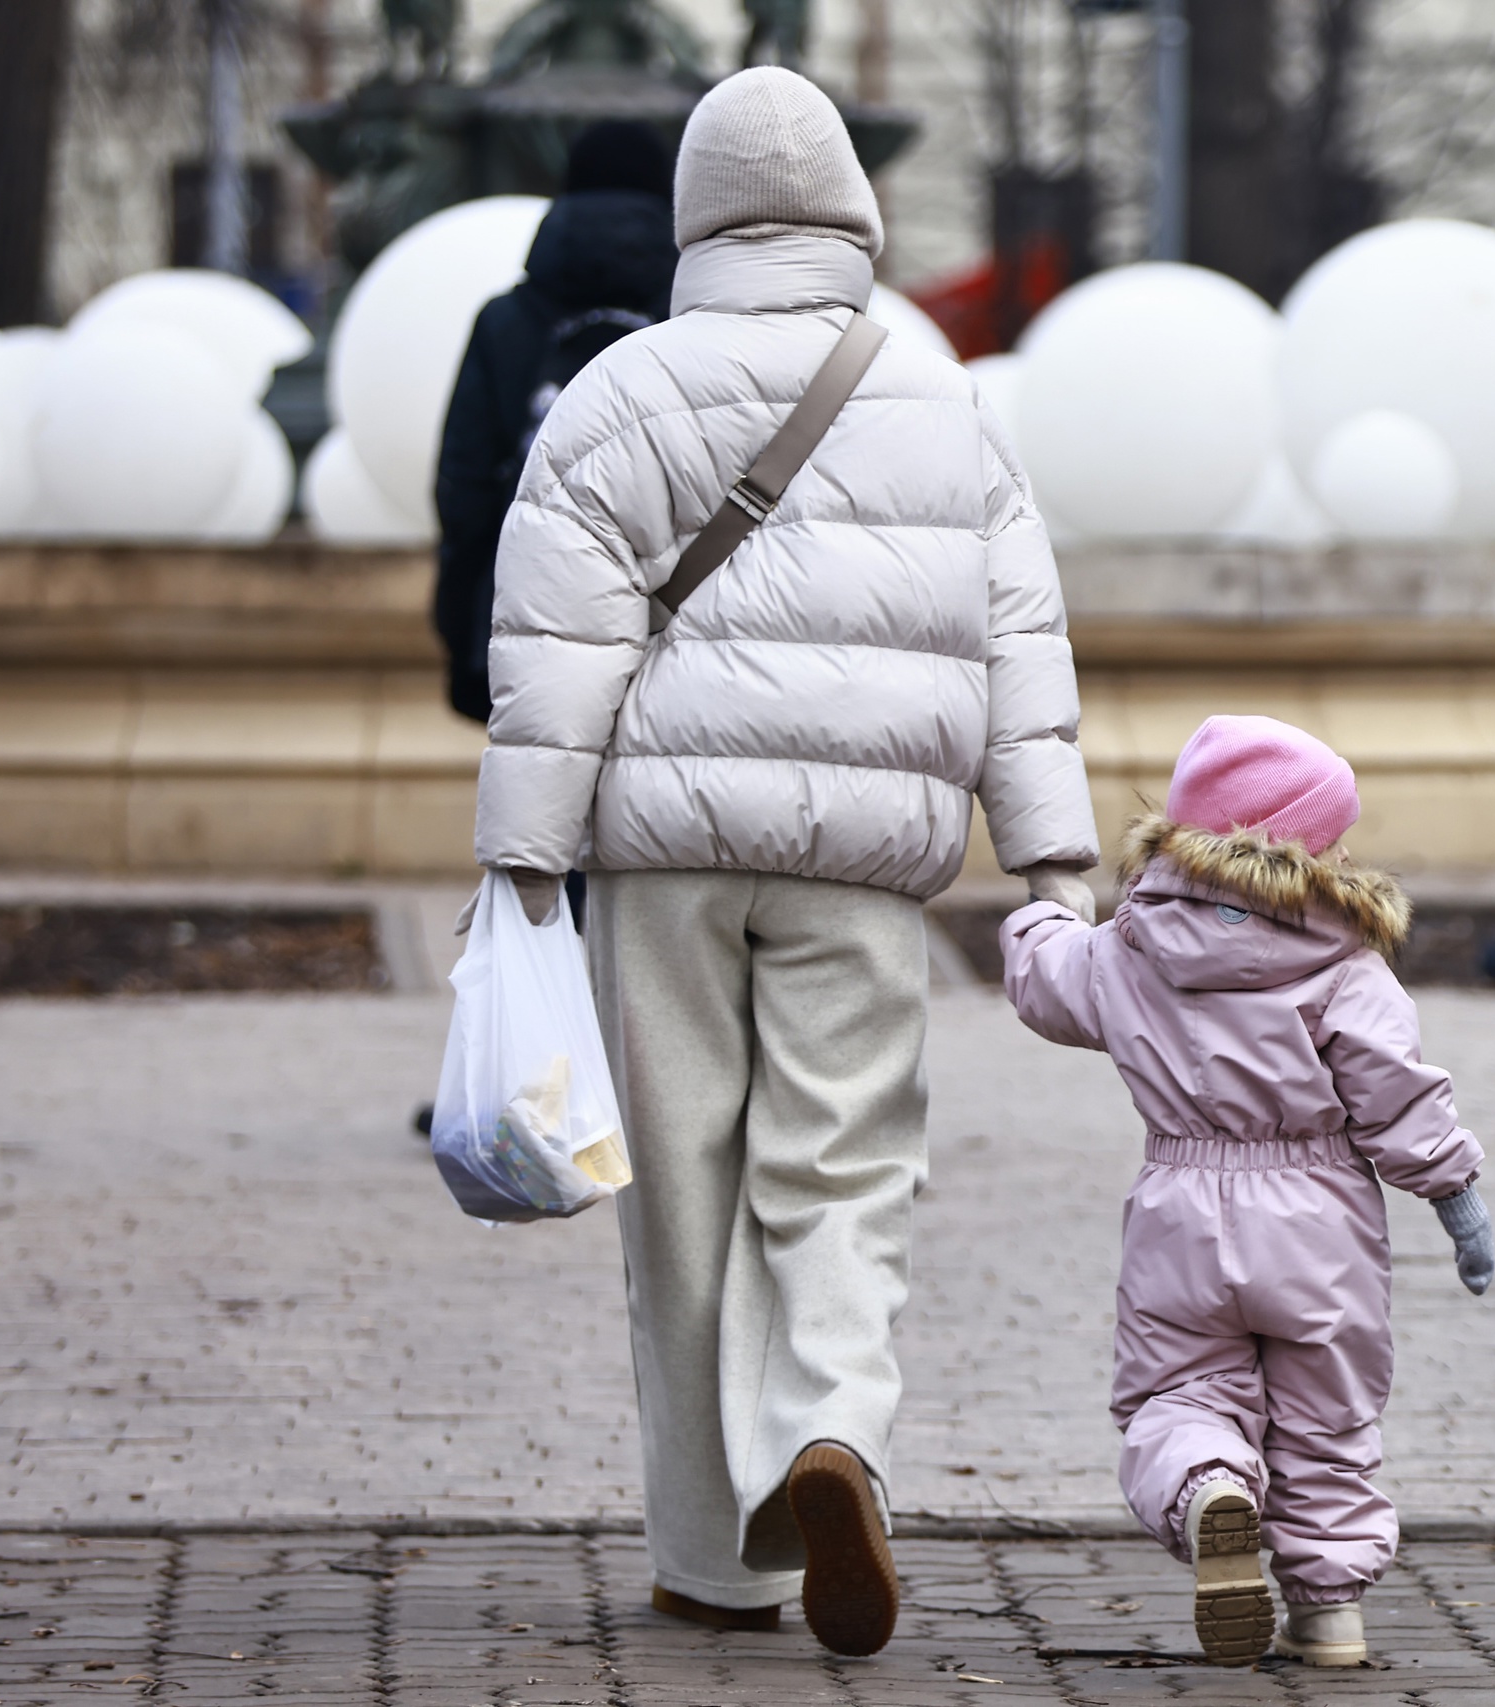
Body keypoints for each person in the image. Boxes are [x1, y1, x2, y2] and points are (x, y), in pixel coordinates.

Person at [471, 68, 1099, 1655]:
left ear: (698, 218)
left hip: (666, 855)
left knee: (679, 1192)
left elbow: (552, 643)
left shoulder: (623, 389)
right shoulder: (940, 398)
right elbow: (1021, 638)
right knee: (844, 1165)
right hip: (865, 858)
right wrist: (1053, 863)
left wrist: (526, 863)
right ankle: (829, 1426)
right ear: (853, 211)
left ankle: (711, 1552)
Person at [995, 714, 1495, 1669]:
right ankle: (1330, 1613)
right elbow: (1394, 1089)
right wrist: (1455, 1193)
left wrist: (1043, 910)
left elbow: (1044, 982)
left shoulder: (1130, 945)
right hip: (1320, 1221)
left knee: (1177, 1392)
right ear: (1294, 844)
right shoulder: (1343, 958)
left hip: (1180, 1208)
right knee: (1328, 1415)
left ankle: (1208, 1483)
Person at [432, 120, 679, 725]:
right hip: (673, 623)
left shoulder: (505, 321)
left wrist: (461, 619)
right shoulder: (692, 314)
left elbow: (461, 486)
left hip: (532, 612)